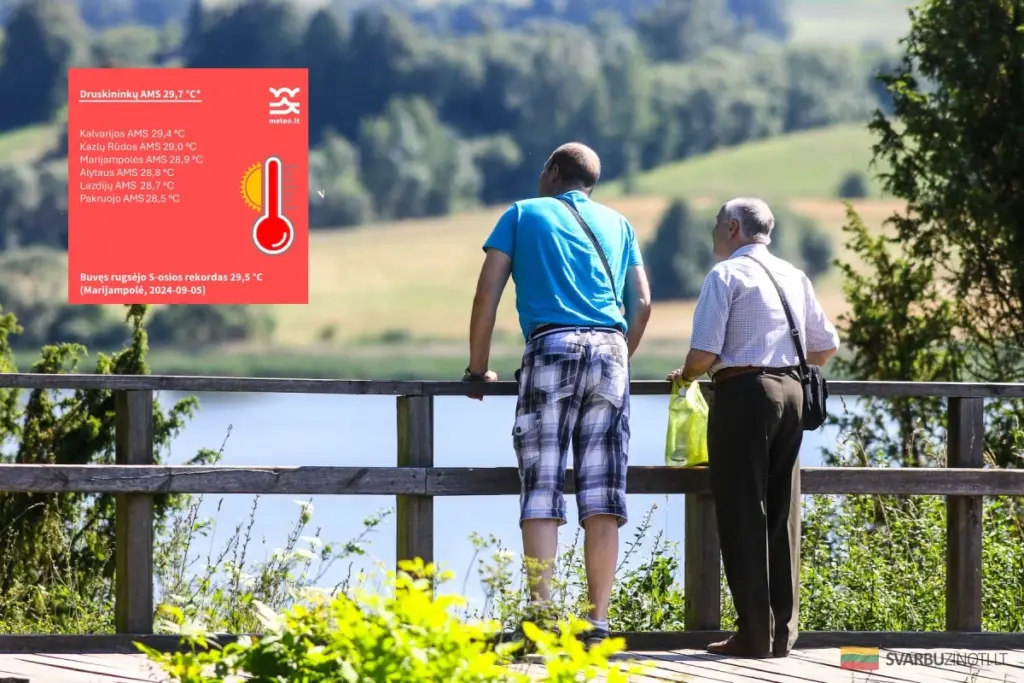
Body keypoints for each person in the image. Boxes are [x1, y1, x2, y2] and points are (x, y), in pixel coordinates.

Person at [462, 142, 652, 648]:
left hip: (552, 346)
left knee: (543, 484)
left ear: (552, 172)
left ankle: (542, 620)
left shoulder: (521, 214)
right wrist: (621, 356)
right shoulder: (620, 224)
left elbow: (487, 294)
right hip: (611, 351)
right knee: (603, 492)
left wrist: (479, 370)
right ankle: (597, 623)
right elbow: (645, 302)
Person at [667, 197, 839, 659]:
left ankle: (753, 636)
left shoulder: (725, 276)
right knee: (779, 513)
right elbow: (826, 345)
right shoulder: (794, 276)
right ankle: (782, 634)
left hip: (746, 394)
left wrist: (685, 376)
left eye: (717, 225)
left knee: (744, 512)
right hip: (792, 394)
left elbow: (704, 353)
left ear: (735, 228)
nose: (713, 233)